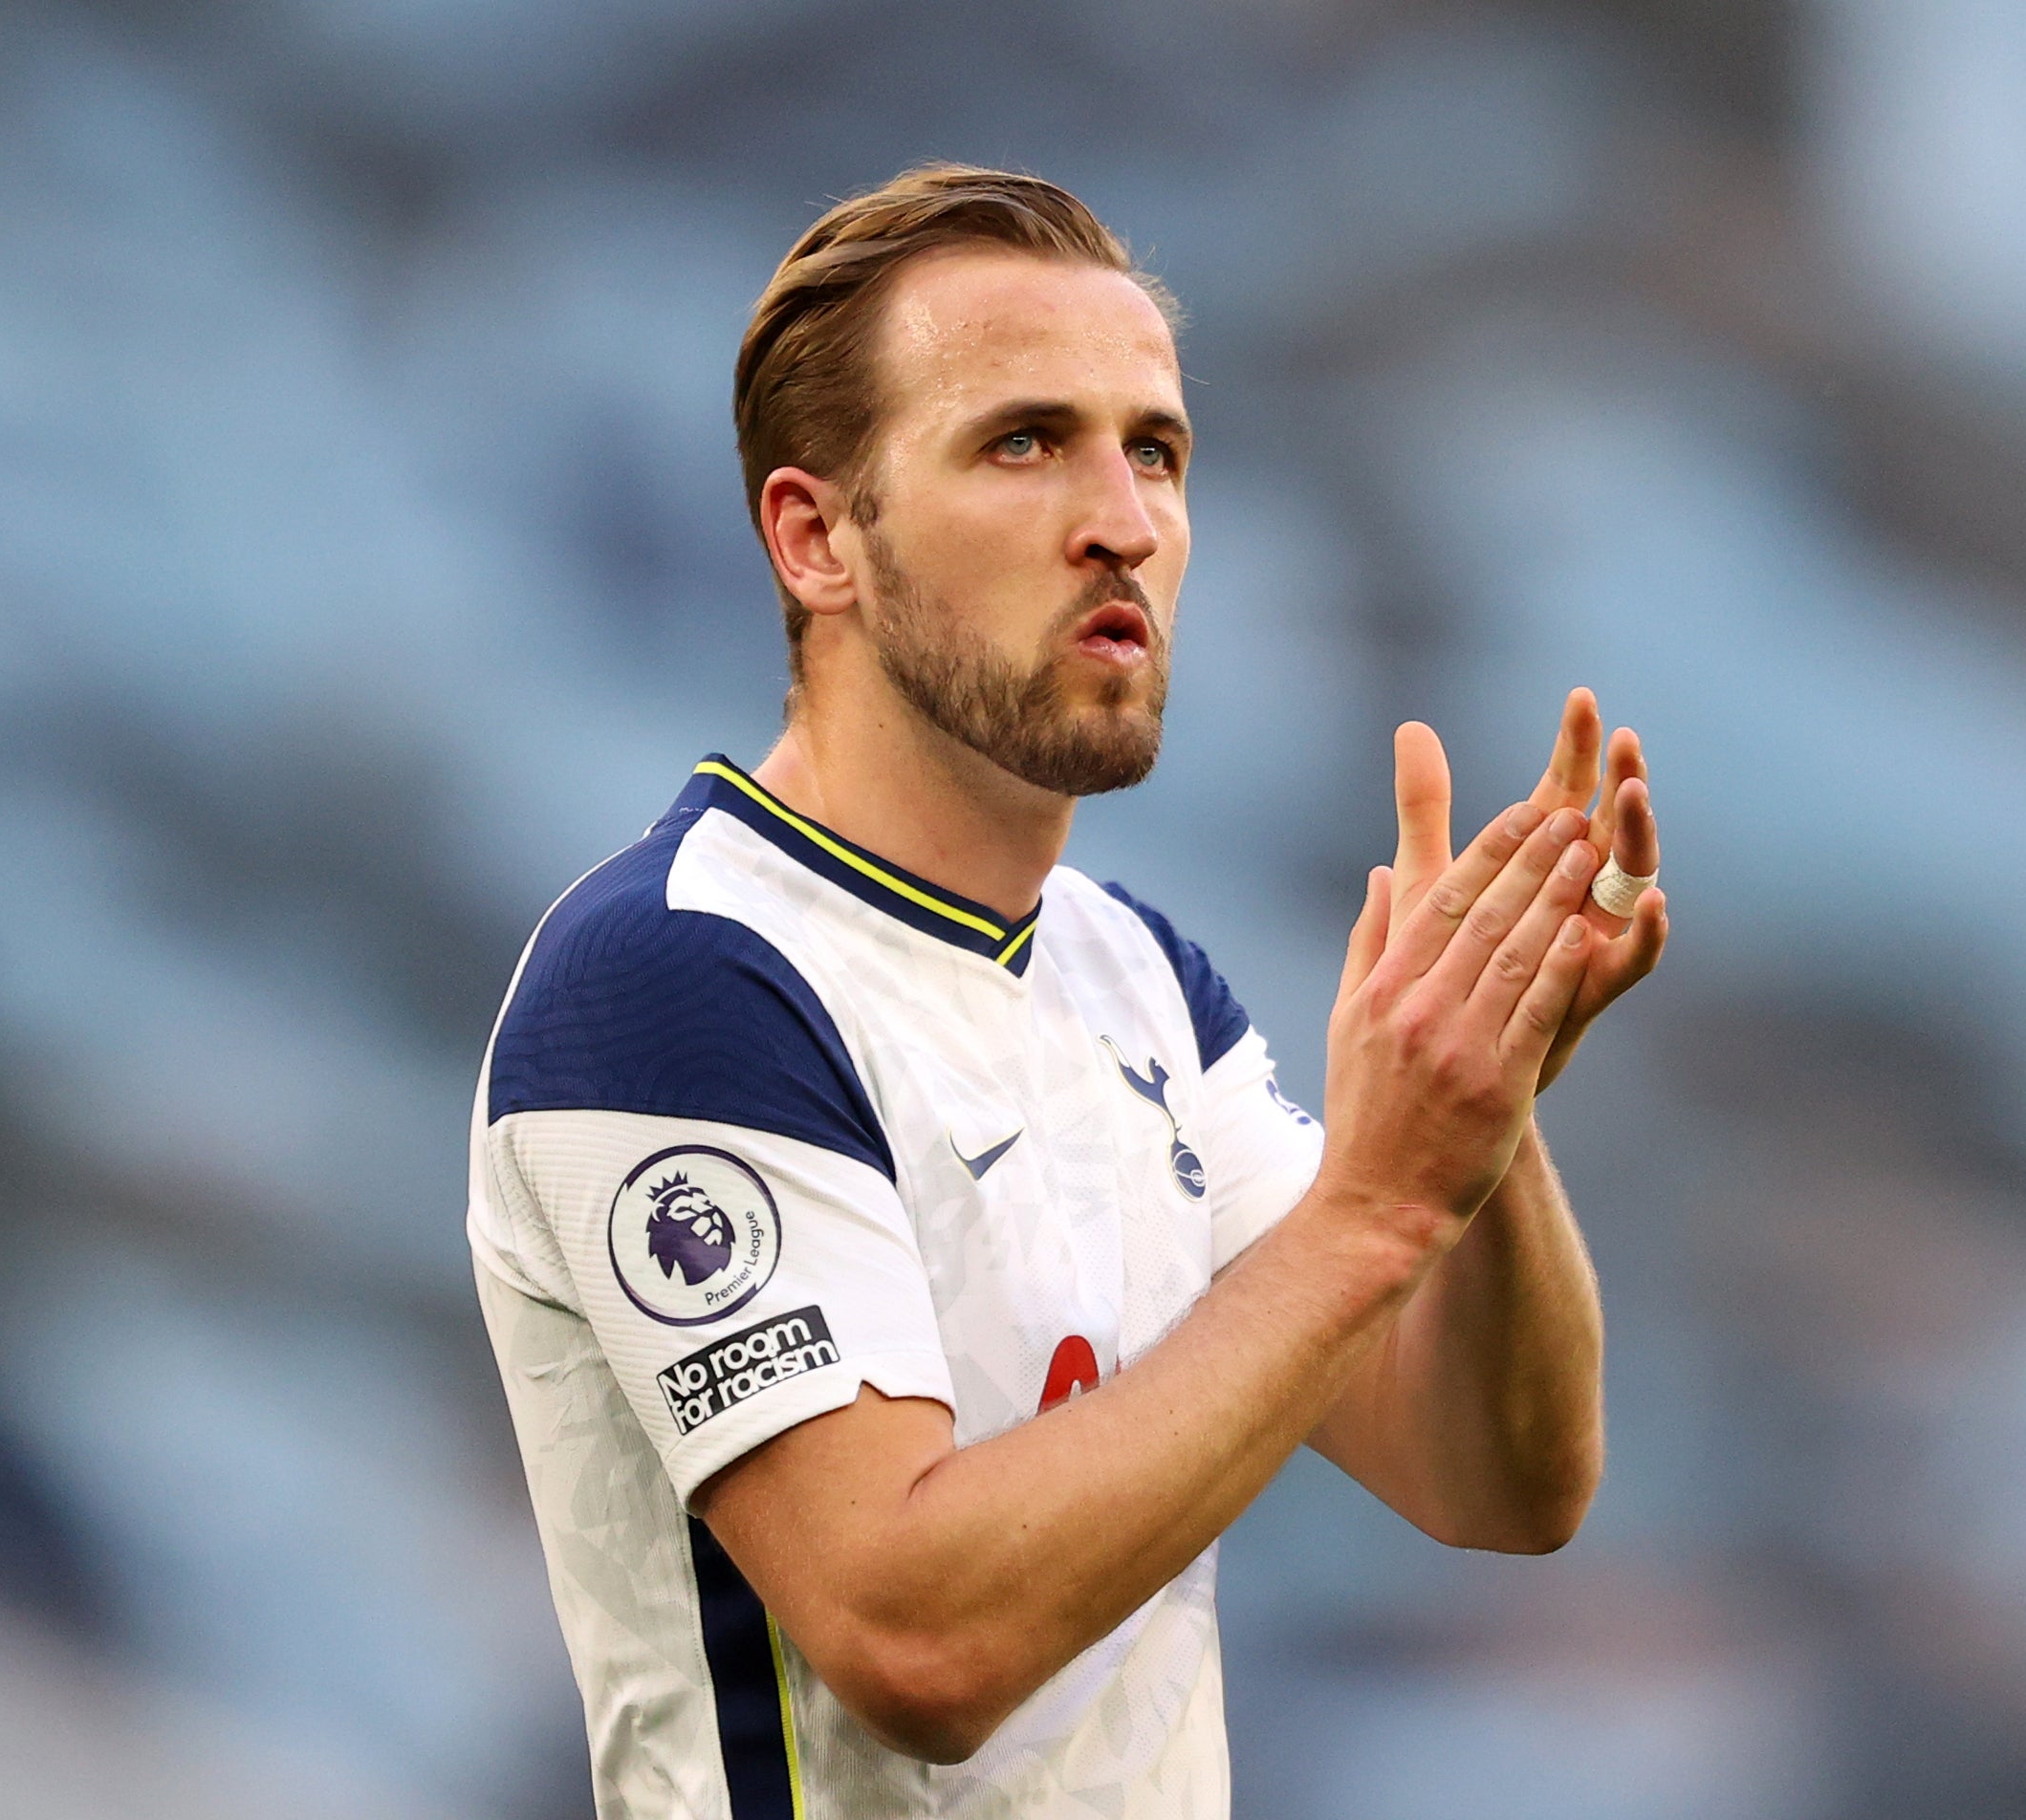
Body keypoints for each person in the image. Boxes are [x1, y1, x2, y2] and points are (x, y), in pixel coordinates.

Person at [468, 163, 1667, 1820]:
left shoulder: (1142, 981)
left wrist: (1484, 1110)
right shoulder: (674, 977)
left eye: (1155, 449)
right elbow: (917, 1643)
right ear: (817, 537)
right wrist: (1383, 1203)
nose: (1124, 518)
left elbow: (1500, 1480)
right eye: (1024, 441)